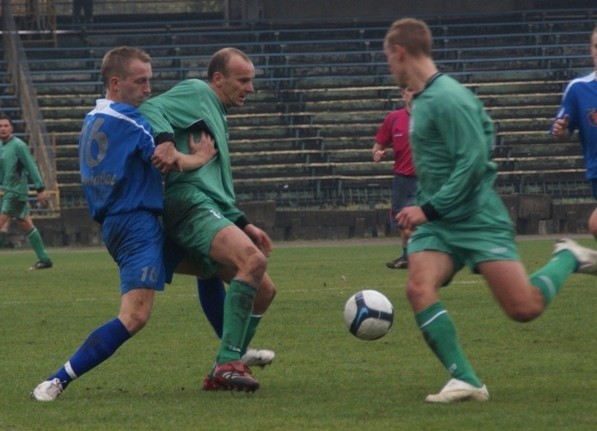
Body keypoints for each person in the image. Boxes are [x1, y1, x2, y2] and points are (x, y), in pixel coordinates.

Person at [384, 18, 597, 403]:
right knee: (418, 286)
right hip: (439, 223)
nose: (388, 65)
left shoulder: (450, 97)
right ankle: (466, 380)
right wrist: (426, 210)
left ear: (399, 52)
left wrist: (427, 209)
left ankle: (568, 256)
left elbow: (475, 163)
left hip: (478, 218)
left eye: (388, 57)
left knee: (524, 308)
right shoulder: (426, 99)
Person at [30, 46, 215, 402]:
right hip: (135, 225)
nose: (148, 89)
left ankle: (231, 357)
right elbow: (168, 158)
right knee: (135, 316)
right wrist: (201, 157)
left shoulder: (94, 117)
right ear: (116, 83)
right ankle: (56, 381)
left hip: (125, 222)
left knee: (211, 267)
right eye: (140, 81)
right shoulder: (132, 122)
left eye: (150, 80)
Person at [140, 47, 277, 393]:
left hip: (209, 205)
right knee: (252, 261)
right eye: (243, 80)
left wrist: (243, 223)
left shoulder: (215, 113)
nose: (250, 88)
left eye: (251, 81)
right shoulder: (198, 92)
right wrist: (167, 143)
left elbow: (214, 182)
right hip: (189, 204)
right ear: (218, 79)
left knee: (264, 290)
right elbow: (149, 107)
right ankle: (230, 362)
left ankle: (225, 363)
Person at [551, 25, 597, 238]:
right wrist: (560, 130)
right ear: (591, 50)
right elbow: (563, 129)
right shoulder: (579, 88)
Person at [0, 114, 53, 270]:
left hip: (15, 193)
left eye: (5, 126)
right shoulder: (2, 146)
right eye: (0, 126)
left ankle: (44, 259)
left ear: (12, 128)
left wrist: (40, 188)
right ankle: (44, 259)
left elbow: (31, 166)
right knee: (26, 224)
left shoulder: (19, 145)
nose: (2, 129)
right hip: (9, 191)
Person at [372, 87, 416, 269]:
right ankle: (407, 256)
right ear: (403, 94)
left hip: (426, 179)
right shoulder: (394, 118)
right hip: (402, 180)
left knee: (421, 221)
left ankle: (421, 257)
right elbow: (377, 145)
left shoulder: (432, 117)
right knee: (403, 223)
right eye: (410, 90)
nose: (413, 93)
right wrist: (377, 153)